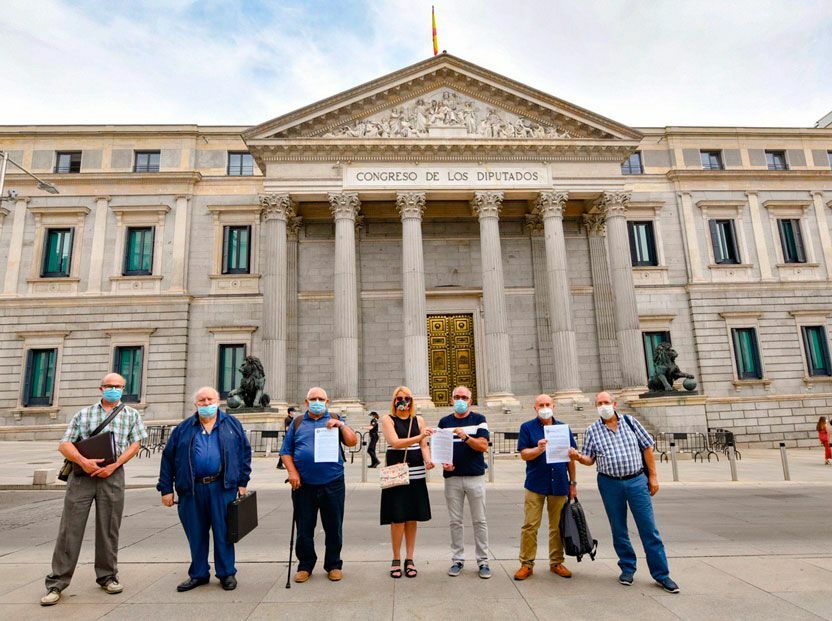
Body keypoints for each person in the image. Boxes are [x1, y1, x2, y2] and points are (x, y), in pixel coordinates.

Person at [40, 373, 147, 606]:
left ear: (124, 389)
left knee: (109, 528)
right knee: (70, 529)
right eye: (109, 386)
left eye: (118, 387)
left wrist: (115, 465)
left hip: (112, 475)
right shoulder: (84, 413)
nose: (114, 390)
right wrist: (83, 461)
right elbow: (65, 443)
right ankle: (57, 582)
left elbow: (137, 443)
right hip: (82, 476)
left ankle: (107, 576)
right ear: (101, 389)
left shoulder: (131, 414)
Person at [569, 391, 680, 594]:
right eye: (599, 403)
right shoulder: (592, 430)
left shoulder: (630, 422)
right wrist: (577, 457)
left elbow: (647, 448)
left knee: (648, 528)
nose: (603, 406)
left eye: (606, 402)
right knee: (618, 528)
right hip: (609, 483)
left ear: (614, 403)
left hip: (637, 481)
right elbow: (589, 459)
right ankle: (627, 568)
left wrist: (653, 477)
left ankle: (661, 574)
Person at [157, 386, 252, 592]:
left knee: (224, 532)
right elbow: (168, 459)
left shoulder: (232, 424)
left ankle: (226, 573)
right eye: (202, 401)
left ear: (218, 402)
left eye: (210, 399)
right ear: (195, 404)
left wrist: (243, 482)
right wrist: (166, 489)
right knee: (196, 534)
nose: (206, 404)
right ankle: (198, 574)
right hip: (191, 489)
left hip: (222, 487)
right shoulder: (183, 428)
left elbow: (245, 453)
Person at [280, 387, 358, 583]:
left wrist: (340, 425)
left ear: (327, 401)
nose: (317, 401)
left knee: (333, 526)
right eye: (313, 399)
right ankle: (305, 565)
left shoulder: (335, 418)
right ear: (306, 403)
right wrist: (292, 472)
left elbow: (352, 442)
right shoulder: (298, 423)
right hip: (303, 485)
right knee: (304, 527)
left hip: (333, 483)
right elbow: (285, 451)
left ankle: (333, 564)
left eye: (320, 398)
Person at [513, 394, 576, 581]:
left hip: (560, 483)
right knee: (530, 525)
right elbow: (524, 454)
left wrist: (573, 483)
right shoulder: (527, 428)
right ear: (535, 408)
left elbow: (570, 459)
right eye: (541, 404)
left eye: (548, 404)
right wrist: (538, 449)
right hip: (535, 483)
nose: (545, 407)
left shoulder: (563, 428)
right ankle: (526, 564)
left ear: (554, 406)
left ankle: (556, 561)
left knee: (557, 525)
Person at [437, 386, 491, 579]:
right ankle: (457, 559)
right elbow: (441, 449)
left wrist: (466, 437)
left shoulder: (479, 420)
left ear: (470, 400)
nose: (460, 400)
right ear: (451, 400)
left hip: (475, 477)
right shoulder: (444, 422)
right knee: (455, 521)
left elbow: (483, 445)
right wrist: (444, 465)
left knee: (480, 520)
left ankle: (483, 561)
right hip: (452, 479)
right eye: (457, 397)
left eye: (464, 397)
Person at [380, 386, 434, 578]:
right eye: (399, 398)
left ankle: (409, 558)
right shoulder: (387, 419)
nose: (403, 401)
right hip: (397, 471)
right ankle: (396, 558)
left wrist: (428, 459)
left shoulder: (418, 419)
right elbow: (395, 443)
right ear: (394, 400)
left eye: (407, 398)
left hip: (417, 471)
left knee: (412, 517)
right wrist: (421, 436)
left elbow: (424, 446)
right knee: (397, 517)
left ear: (412, 401)